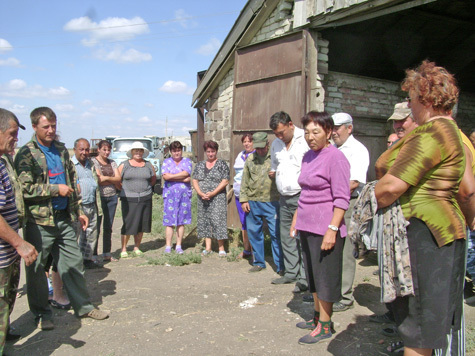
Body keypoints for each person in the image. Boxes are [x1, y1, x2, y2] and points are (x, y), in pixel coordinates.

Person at [374, 60, 475, 356]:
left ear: (425, 99)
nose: (409, 104)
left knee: (418, 327)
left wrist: (377, 195)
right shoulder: (456, 133)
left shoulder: (432, 132)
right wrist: (470, 220)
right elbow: (467, 189)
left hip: (424, 234)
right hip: (447, 232)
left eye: (411, 98)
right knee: (432, 321)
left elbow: (391, 188)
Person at [14, 107, 109, 331]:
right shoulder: (26, 153)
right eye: (46, 126)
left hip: (64, 219)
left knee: (74, 262)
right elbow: (25, 189)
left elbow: (71, 181)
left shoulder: (60, 150)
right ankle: (41, 314)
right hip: (39, 222)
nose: (50, 130)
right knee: (37, 270)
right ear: (35, 126)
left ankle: (84, 306)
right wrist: (56, 189)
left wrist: (78, 212)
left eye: (54, 126)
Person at [291, 111, 350, 344]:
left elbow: (342, 199)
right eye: (306, 132)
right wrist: (297, 217)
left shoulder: (335, 158)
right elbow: (305, 190)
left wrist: (332, 230)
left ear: (328, 132)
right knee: (313, 275)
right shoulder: (307, 157)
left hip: (325, 227)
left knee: (325, 277)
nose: (310, 137)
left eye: (316, 132)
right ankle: (317, 317)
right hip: (307, 225)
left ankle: (326, 325)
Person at [0, 109, 38, 352]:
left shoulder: (4, 160)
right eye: (12, 134)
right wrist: (18, 243)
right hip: (3, 253)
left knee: (7, 303)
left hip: (7, 253)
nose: (16, 139)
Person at [331, 112, 370, 312]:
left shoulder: (357, 150)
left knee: (346, 250)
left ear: (349, 128)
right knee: (331, 248)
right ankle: (331, 291)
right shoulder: (332, 148)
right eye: (333, 127)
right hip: (331, 203)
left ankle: (345, 297)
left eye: (338, 128)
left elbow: (353, 183)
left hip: (348, 203)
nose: (334, 132)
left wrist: (332, 198)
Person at [269, 111, 309, 293]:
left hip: (303, 195)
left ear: (291, 125)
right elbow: (275, 166)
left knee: (303, 237)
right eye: (276, 134)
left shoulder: (305, 139)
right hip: (284, 197)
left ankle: (304, 277)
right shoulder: (276, 144)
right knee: (287, 235)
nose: (279, 136)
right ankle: (291, 272)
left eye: (282, 132)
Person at [239, 132, 283, 273]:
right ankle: (258, 262)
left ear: (267, 144)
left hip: (272, 201)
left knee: (276, 234)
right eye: (257, 148)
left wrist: (277, 174)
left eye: (262, 147)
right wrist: (244, 199)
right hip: (253, 202)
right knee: (254, 233)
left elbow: (287, 176)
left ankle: (280, 265)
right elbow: (244, 181)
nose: (259, 150)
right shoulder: (250, 159)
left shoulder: (276, 158)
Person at [118, 141, 156, 258]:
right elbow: (117, 179)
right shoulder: (124, 165)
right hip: (129, 199)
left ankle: (136, 247)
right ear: (132, 152)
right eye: (136, 150)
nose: (138, 152)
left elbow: (153, 178)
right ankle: (124, 248)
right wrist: (125, 190)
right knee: (128, 223)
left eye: (140, 150)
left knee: (142, 224)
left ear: (143, 152)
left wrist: (147, 189)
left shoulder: (148, 164)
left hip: (145, 197)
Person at [192, 141, 229, 256]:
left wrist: (213, 193)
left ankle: (221, 248)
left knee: (218, 220)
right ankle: (208, 247)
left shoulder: (222, 164)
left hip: (217, 197)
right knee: (205, 220)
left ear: (216, 151)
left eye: (212, 151)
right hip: (202, 197)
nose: (210, 154)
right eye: (208, 151)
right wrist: (200, 193)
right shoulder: (200, 165)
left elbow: (225, 181)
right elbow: (195, 180)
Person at [72, 138, 103, 269]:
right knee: (74, 235)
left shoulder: (90, 164)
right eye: (81, 149)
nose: (84, 152)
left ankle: (87, 259)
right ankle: (73, 264)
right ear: (75, 150)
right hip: (77, 207)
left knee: (90, 234)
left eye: (87, 149)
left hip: (91, 203)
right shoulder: (70, 165)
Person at [92, 140, 121, 262]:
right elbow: (98, 179)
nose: (106, 152)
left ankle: (107, 253)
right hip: (99, 198)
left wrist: (107, 178)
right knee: (96, 226)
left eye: (108, 150)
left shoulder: (112, 162)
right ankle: (93, 254)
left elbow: (119, 177)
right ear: (98, 149)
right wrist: (113, 179)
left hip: (112, 197)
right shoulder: (93, 162)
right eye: (104, 149)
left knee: (108, 226)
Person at [161, 141, 192, 254]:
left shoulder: (187, 161)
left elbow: (187, 174)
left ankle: (179, 245)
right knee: (169, 221)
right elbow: (165, 176)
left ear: (181, 151)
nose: (176, 153)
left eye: (178, 150)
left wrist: (172, 177)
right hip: (170, 195)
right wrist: (181, 178)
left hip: (184, 196)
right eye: (174, 151)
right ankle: (168, 245)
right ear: (170, 151)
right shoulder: (166, 162)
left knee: (181, 221)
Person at [233, 134, 254, 259]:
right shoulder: (240, 155)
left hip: (250, 194)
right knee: (243, 222)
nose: (247, 144)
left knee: (252, 222)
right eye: (245, 141)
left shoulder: (256, 156)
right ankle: (246, 249)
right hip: (238, 193)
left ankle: (255, 251)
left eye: (249, 141)